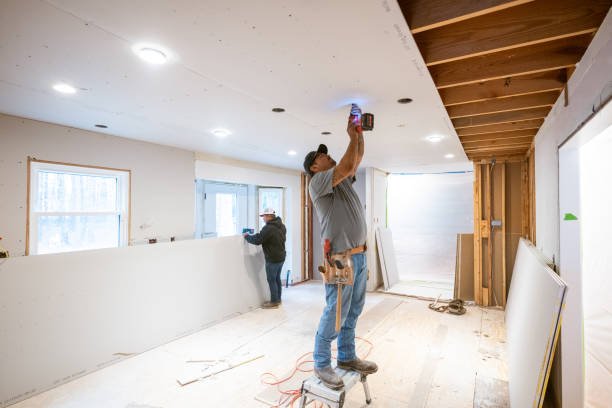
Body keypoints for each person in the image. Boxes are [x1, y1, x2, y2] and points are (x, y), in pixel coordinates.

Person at [302, 112, 378, 390]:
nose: (328, 156)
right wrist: (351, 136)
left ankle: (346, 357)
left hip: (358, 255)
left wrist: (359, 135)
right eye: (323, 155)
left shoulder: (341, 179)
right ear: (314, 166)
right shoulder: (318, 182)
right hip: (340, 260)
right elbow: (346, 165)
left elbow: (353, 161)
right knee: (336, 311)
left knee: (354, 309)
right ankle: (322, 363)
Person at [244, 208, 287, 309]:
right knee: (277, 279)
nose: (263, 218)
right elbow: (267, 237)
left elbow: (258, 239)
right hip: (281, 257)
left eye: (264, 216)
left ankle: (274, 302)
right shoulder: (282, 226)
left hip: (273, 258)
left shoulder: (268, 228)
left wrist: (247, 236)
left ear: (268, 216)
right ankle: (278, 299)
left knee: (271, 279)